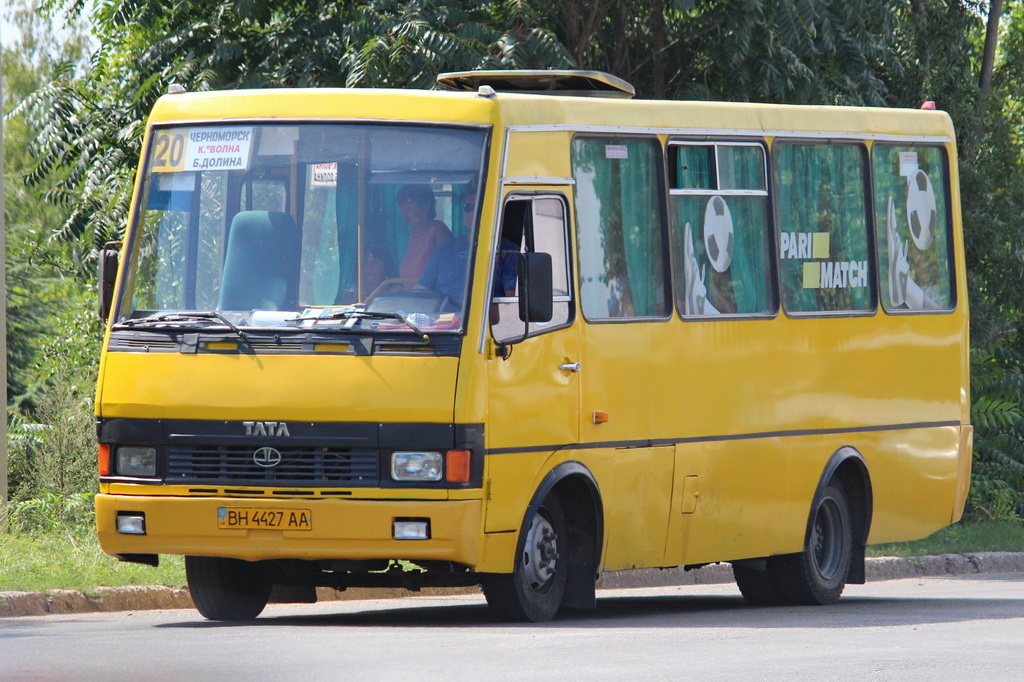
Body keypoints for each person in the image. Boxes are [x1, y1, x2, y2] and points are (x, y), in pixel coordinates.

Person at [397, 185, 452, 281]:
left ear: (426, 206)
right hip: (411, 296)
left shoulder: (438, 231)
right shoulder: (413, 235)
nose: (405, 213)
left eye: (409, 208)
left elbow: (447, 274)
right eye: (402, 208)